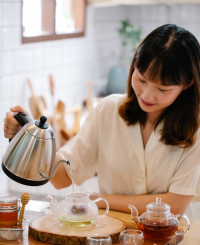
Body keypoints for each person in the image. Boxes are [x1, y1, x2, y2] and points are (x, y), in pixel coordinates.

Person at [4, 24, 200, 215]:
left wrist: (99, 199)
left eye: (163, 89)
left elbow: (174, 205)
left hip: (174, 244)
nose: (147, 95)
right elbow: (62, 177)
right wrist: (31, 137)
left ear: (187, 84)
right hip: (112, 242)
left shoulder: (195, 128)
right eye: (141, 79)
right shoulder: (109, 110)